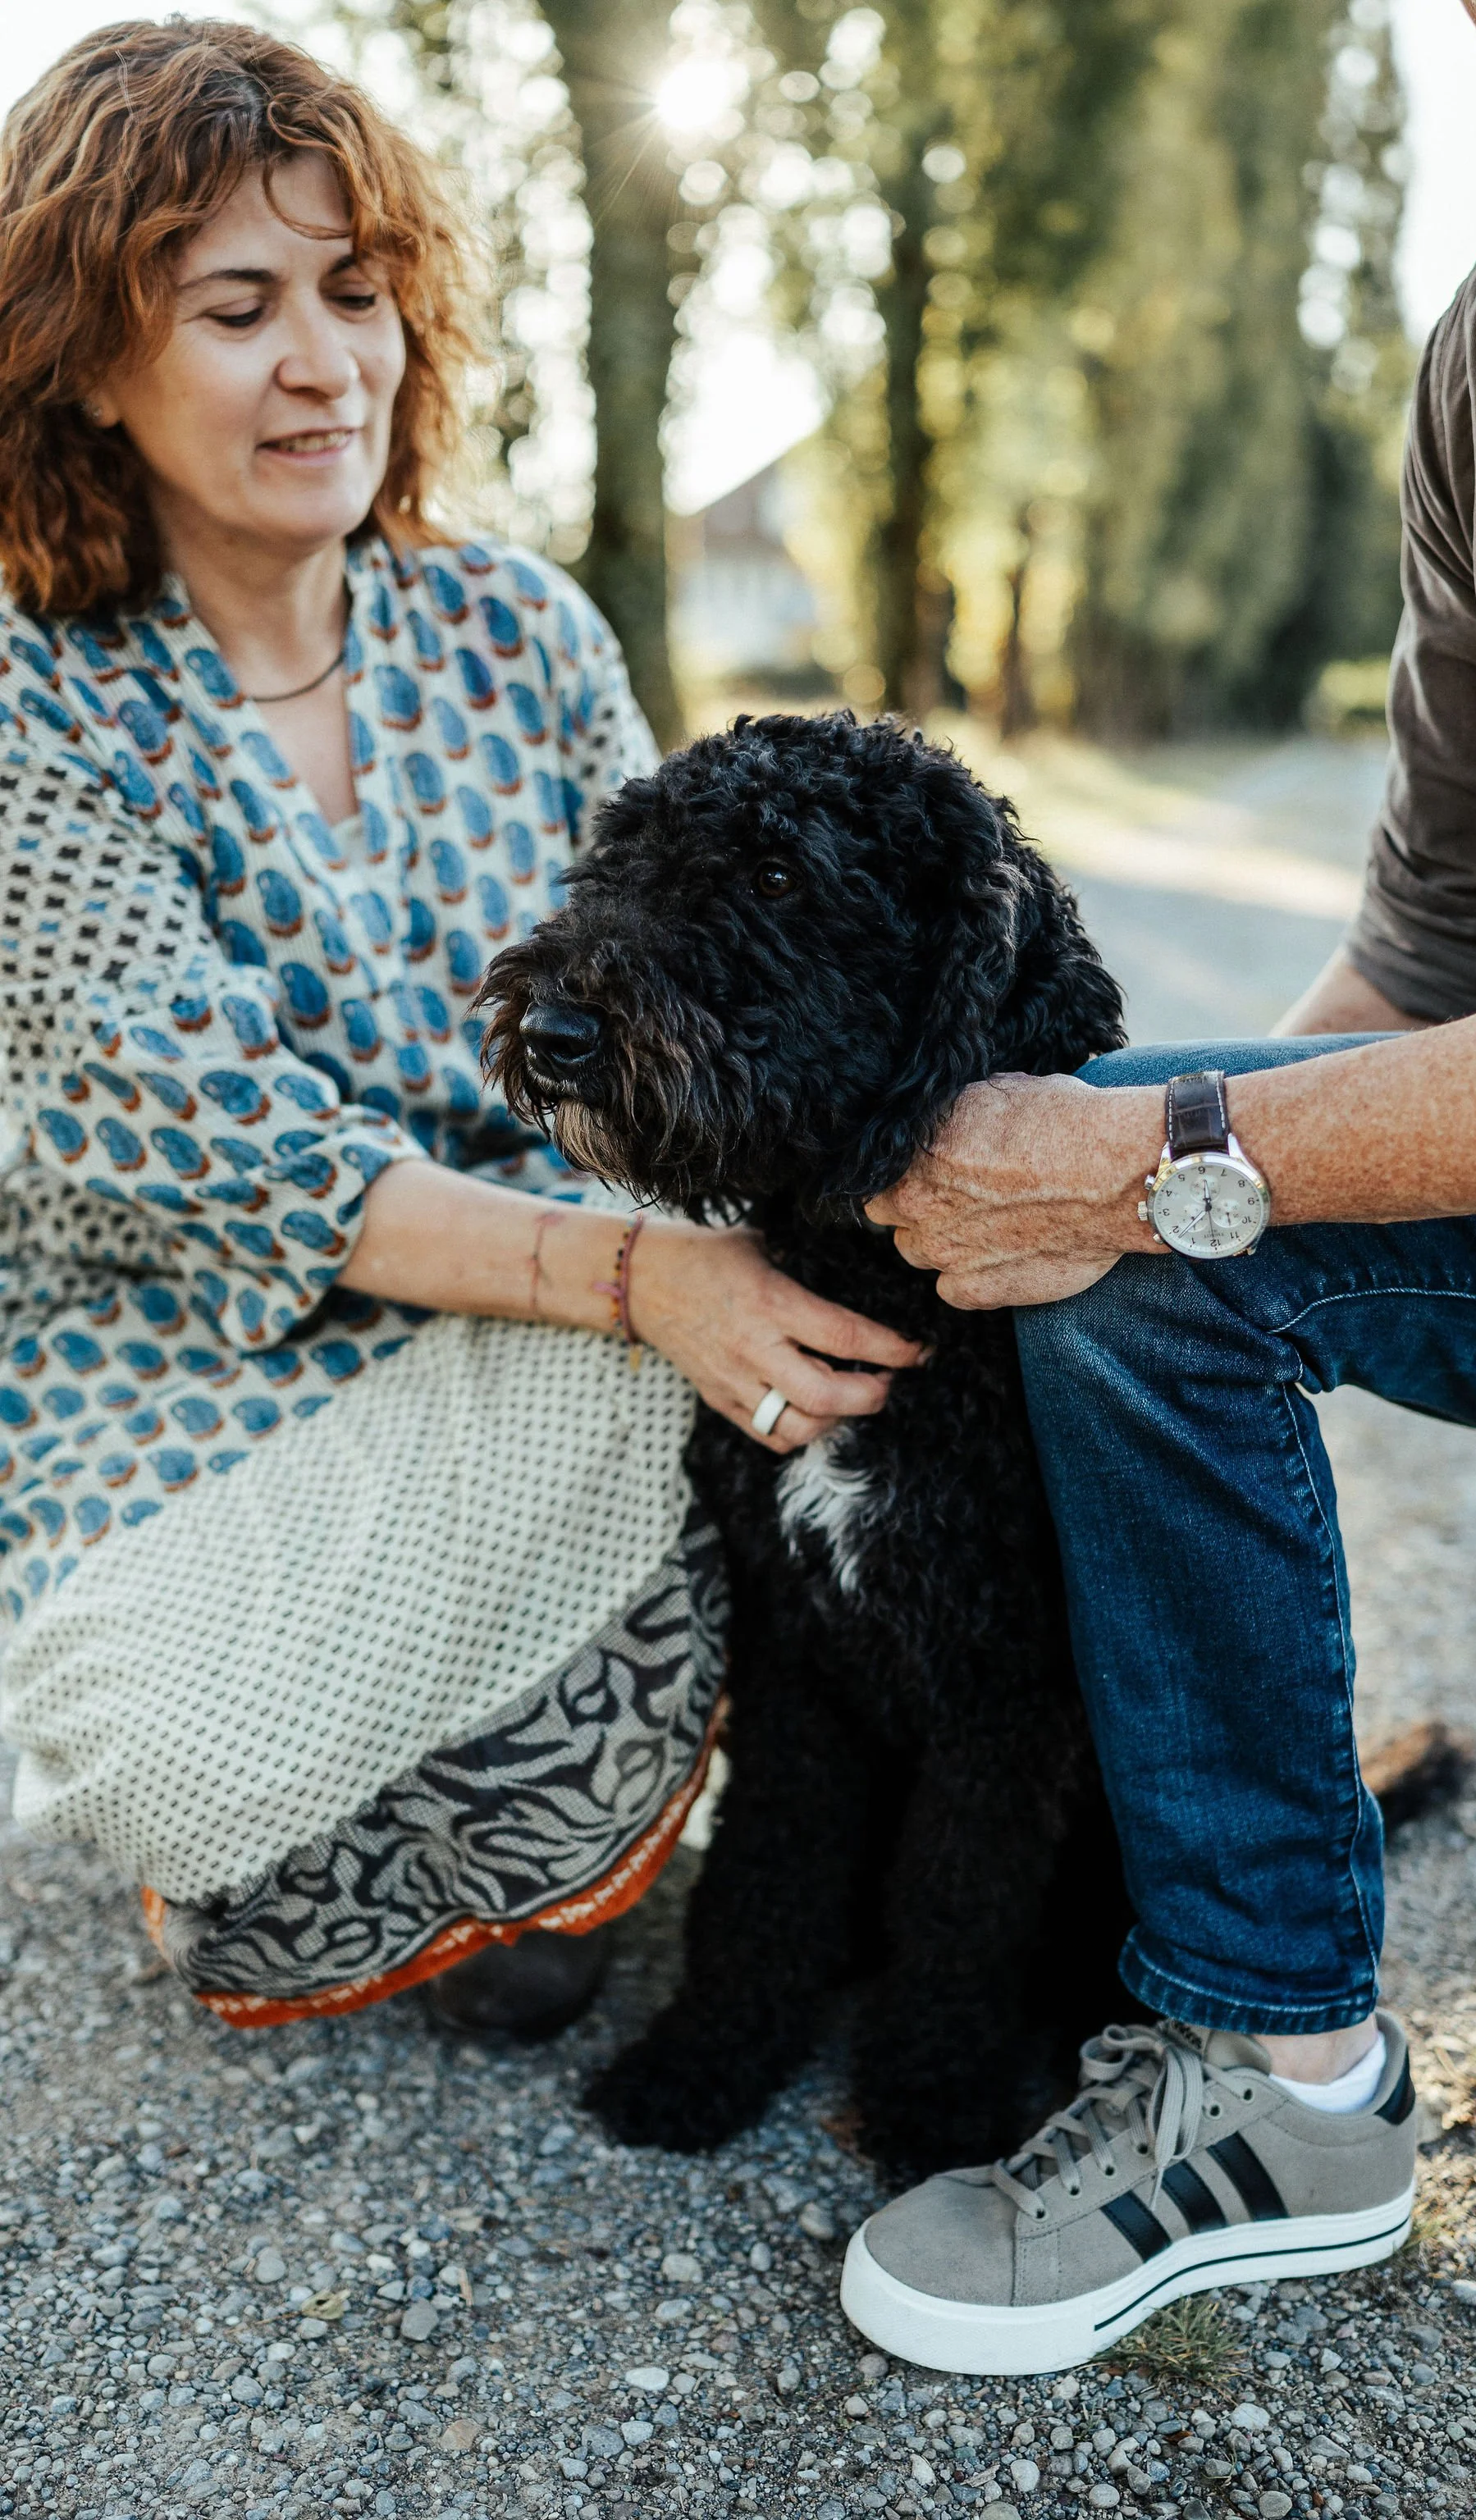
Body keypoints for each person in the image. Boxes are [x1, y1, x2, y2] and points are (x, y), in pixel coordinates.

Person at [840, 0, 1476, 2376]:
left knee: (1156, 1167)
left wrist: (1170, 1157)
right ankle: (1277, 2071)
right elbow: (1432, 958)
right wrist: (1108, 1258)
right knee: (1140, 1207)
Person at [0, 20, 919, 2040]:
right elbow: (234, 1154)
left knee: (792, 1322)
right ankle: (384, 1790)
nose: (325, 363)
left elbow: (698, 1015)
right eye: (237, 307)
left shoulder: (520, 629)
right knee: (233, 1772)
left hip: (548, 1311)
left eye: (359, 293)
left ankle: (818, 1760)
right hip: (182, 1371)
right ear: (82, 358)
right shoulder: (29, 700)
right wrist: (635, 1272)